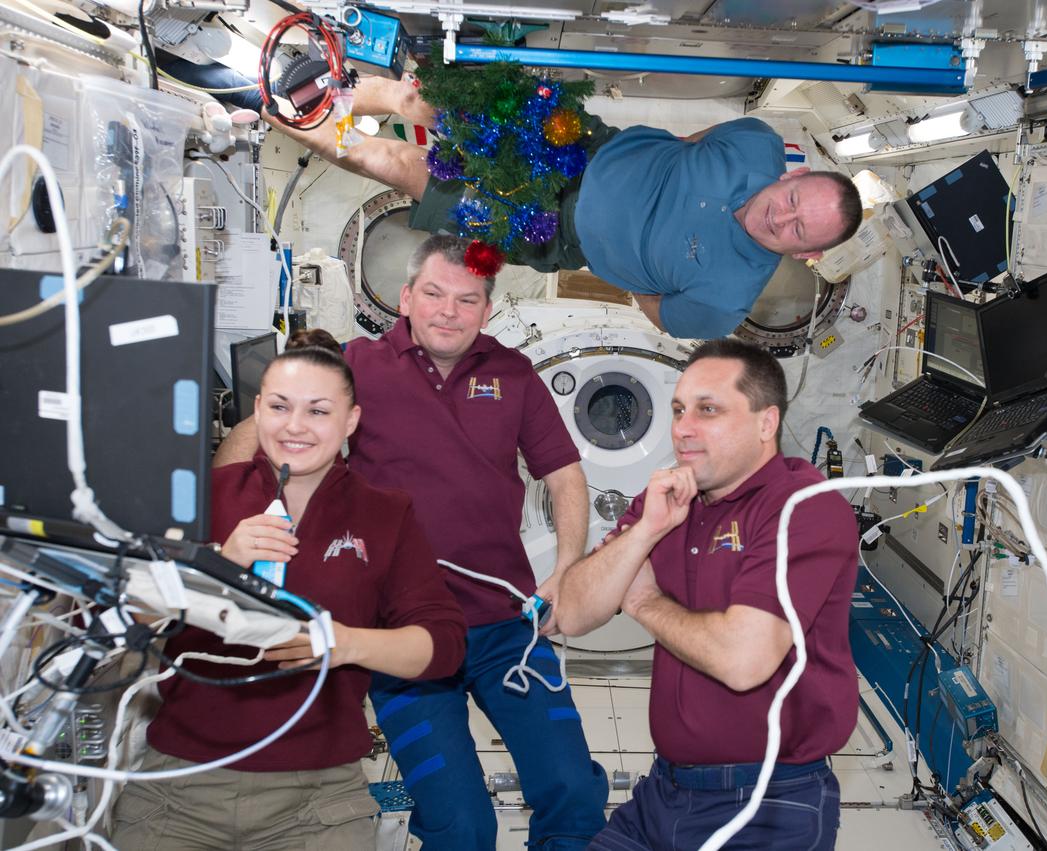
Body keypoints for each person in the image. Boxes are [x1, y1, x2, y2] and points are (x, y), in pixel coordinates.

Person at [214, 234, 608, 849]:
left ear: (486, 309)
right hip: (402, 635)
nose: (448, 311)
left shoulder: (513, 373)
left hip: (506, 627)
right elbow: (262, 441)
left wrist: (567, 571)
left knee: (574, 791)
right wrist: (248, 461)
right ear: (405, 298)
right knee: (461, 824)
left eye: (467, 300)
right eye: (433, 294)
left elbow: (564, 476)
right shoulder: (357, 367)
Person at [111, 329, 468, 850]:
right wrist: (215, 566)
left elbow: (444, 646)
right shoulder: (201, 499)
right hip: (178, 789)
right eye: (279, 407)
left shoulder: (385, 514)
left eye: (318, 411)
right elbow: (122, 619)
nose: (295, 426)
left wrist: (345, 643)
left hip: (317, 802)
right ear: (257, 411)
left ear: (351, 421)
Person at [264, 75, 863, 339]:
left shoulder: (725, 304)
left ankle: (265, 107)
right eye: (792, 200)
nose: (781, 217)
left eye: (798, 230)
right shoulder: (757, 142)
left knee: (395, 164)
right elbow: (695, 141)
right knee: (424, 103)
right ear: (794, 175)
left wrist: (622, 254)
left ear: (806, 254)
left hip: (549, 232)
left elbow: (658, 311)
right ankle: (309, 86)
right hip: (574, 145)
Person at [556, 338, 860, 850]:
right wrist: (645, 531)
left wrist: (644, 602)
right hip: (663, 794)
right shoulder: (668, 500)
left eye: (708, 410)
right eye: (678, 410)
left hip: (768, 804)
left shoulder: (804, 507)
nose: (683, 428)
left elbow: (743, 660)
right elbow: (571, 612)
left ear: (766, 423)